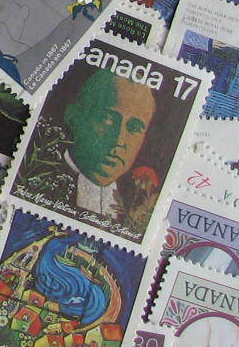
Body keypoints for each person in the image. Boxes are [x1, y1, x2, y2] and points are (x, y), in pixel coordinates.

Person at [18, 66, 160, 232]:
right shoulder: (32, 177)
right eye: (108, 118)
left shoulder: (136, 205)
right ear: (74, 115)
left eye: (135, 128)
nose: (119, 140)